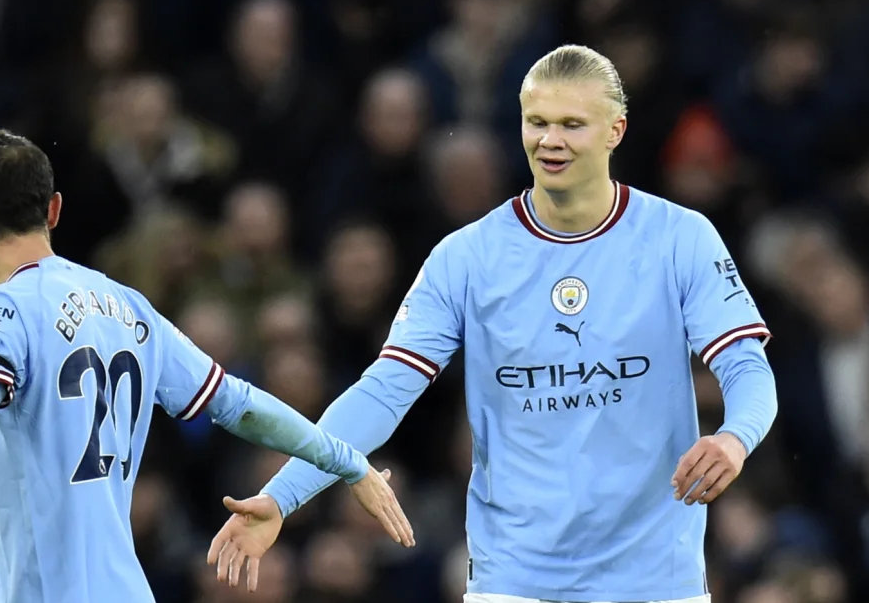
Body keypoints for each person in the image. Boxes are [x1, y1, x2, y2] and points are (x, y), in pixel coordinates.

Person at [207, 45, 779, 603]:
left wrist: (734, 437)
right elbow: (382, 393)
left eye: (572, 124)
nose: (550, 141)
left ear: (616, 131)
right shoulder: (467, 257)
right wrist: (282, 496)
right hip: (515, 576)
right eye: (537, 122)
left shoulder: (680, 238)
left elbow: (747, 367)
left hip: (656, 577)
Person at [0, 130, 414, 602]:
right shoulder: (129, 307)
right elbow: (237, 402)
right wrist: (343, 457)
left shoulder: (3, 310)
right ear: (53, 210)